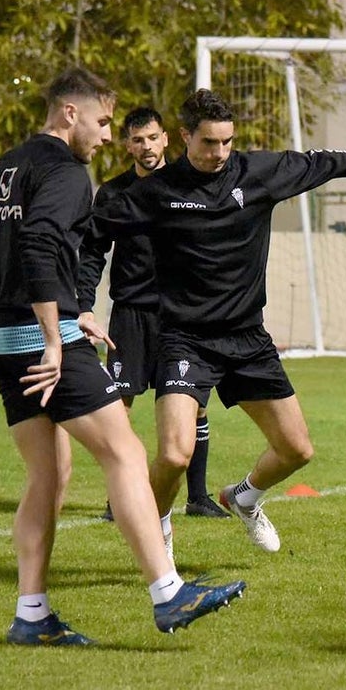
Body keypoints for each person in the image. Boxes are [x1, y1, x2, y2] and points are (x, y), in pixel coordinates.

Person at [79, 88, 346, 558]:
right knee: (175, 454)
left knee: (296, 451)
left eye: (227, 142)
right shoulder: (155, 192)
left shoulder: (258, 173)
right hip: (185, 340)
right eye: (208, 143)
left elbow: (332, 162)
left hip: (247, 338)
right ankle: (158, 540)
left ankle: (244, 497)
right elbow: (94, 236)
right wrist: (80, 302)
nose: (219, 153)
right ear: (184, 137)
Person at [0, 68, 245, 646]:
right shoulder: (68, 173)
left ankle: (32, 614)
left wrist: (71, 307)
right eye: (101, 121)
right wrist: (53, 330)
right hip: (38, 340)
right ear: (69, 113)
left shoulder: (8, 165)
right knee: (124, 452)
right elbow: (42, 243)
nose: (105, 134)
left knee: (50, 473)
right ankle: (169, 592)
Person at [81, 107, 228, 522]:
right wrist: (85, 304)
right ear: (128, 144)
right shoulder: (113, 194)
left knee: (195, 404)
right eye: (137, 140)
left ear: (167, 139)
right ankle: (120, 498)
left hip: (181, 315)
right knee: (119, 408)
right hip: (130, 314)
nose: (145, 147)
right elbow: (93, 251)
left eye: (152, 138)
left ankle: (197, 497)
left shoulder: (190, 187)